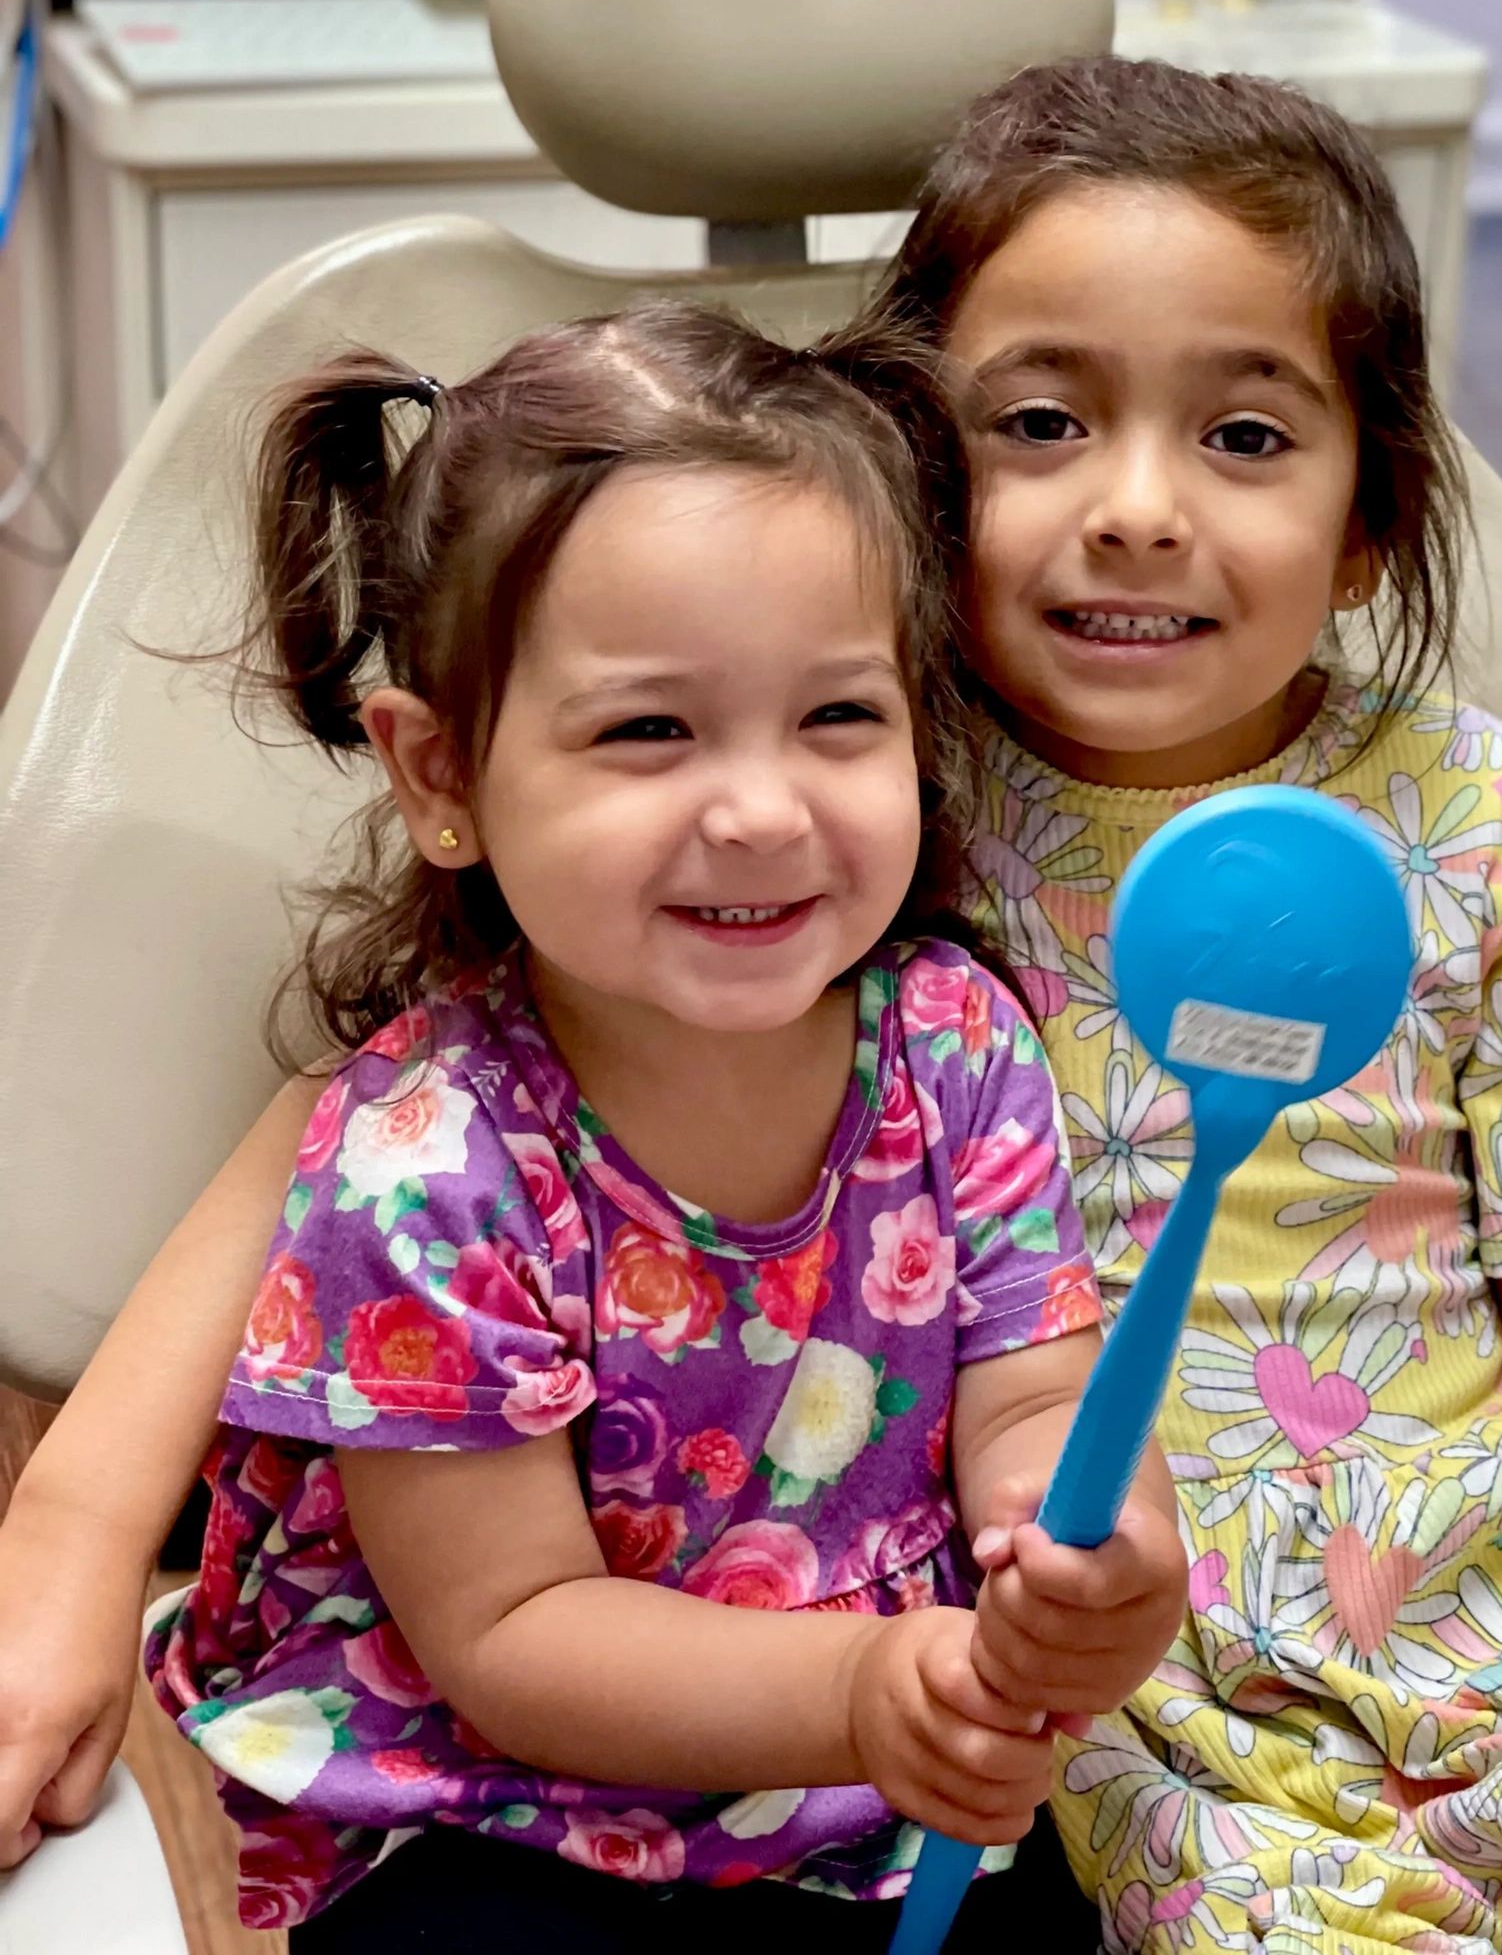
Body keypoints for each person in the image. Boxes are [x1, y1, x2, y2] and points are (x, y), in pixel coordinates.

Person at [5, 60, 1502, 1951]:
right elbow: (385, 1128)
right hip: (1101, 1664)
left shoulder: (1456, 810)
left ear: (1374, 511)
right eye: (1043, 423)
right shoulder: (870, 794)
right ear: (925, 488)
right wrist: (73, 1542)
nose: (1141, 510)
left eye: (1248, 434)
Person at [0, 298, 1184, 1946]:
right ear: (441, 778)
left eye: (840, 716)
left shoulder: (957, 1043)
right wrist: (861, 1688)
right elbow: (515, 1634)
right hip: (521, 1825)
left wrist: (1091, 1545)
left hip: (897, 1802)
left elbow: (1035, 1394)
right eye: (649, 730)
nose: (762, 808)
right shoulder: (426, 1169)